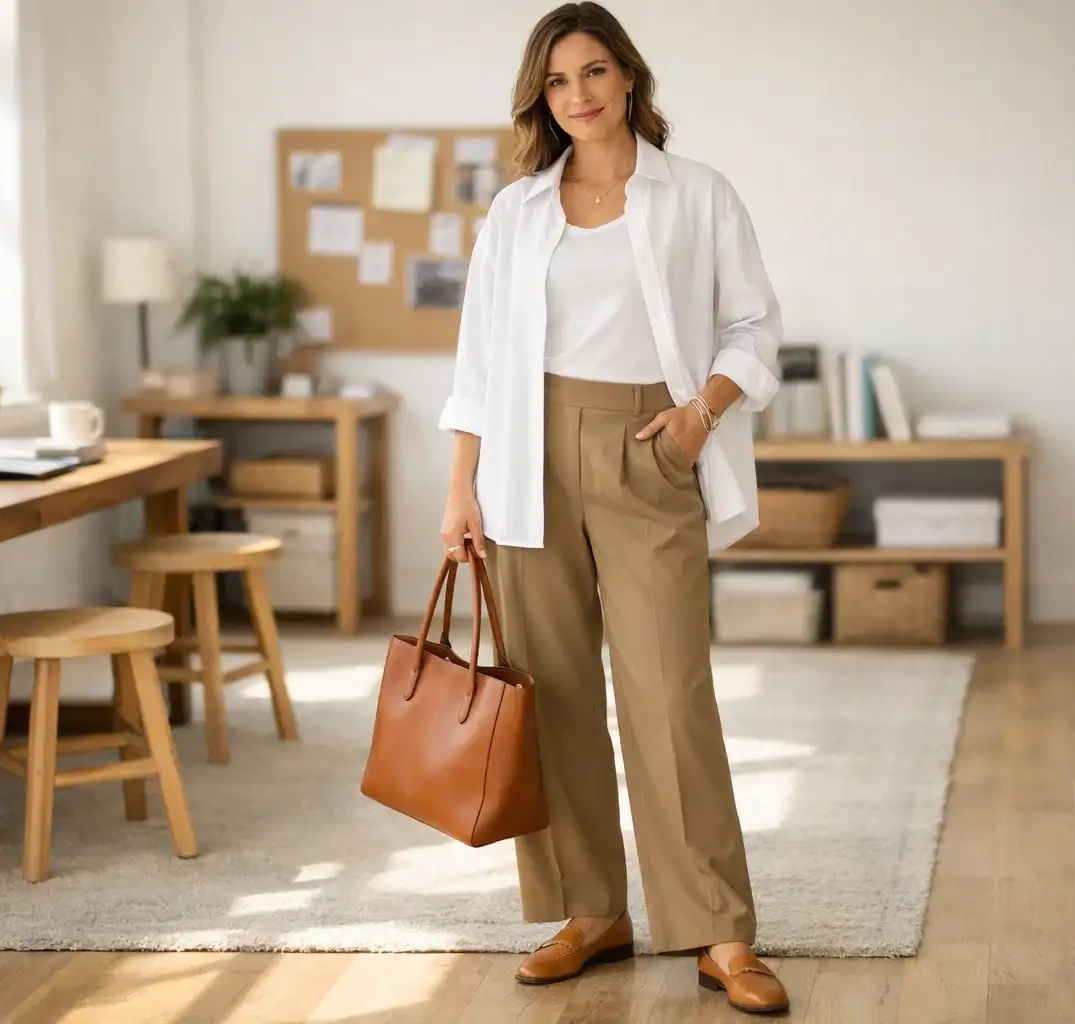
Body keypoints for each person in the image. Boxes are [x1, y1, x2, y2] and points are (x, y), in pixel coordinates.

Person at [437, 2, 787, 1014]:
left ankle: (717, 926)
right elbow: (477, 362)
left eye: (595, 72)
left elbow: (755, 327)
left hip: (648, 447)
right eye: (557, 80)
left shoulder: (700, 196)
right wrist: (462, 488)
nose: (579, 94)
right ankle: (590, 911)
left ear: (629, 77)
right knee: (548, 690)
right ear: (540, 97)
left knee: (670, 691)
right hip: (526, 451)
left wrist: (699, 415)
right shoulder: (516, 212)